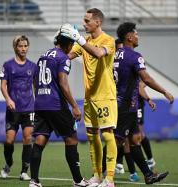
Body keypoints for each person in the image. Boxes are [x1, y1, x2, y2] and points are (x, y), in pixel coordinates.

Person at [61, 8, 118, 187]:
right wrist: (57, 46)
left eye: (87, 21)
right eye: (84, 21)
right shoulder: (83, 42)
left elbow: (98, 53)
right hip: (89, 97)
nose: (84, 24)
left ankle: (110, 179)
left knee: (108, 135)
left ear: (97, 22)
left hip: (105, 96)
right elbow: (66, 57)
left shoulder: (108, 41)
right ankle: (97, 176)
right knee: (93, 136)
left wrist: (79, 39)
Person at [113, 21, 174, 184]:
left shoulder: (115, 55)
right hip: (125, 105)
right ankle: (100, 175)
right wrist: (164, 91)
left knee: (134, 141)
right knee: (117, 141)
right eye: (136, 33)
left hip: (125, 104)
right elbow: (146, 78)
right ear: (129, 36)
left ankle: (148, 175)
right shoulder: (134, 56)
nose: (138, 36)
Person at [29, 24, 89, 187]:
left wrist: (40, 96)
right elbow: (63, 83)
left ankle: (34, 181)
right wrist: (75, 106)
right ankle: (78, 180)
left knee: (40, 139)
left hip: (40, 103)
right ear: (68, 43)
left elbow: (35, 80)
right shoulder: (63, 57)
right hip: (55, 104)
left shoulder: (43, 55)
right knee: (71, 139)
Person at [0, 35, 36, 180]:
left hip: (29, 108)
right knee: (9, 140)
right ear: (15, 47)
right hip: (13, 109)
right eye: (20, 46)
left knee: (28, 138)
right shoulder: (8, 65)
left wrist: (39, 102)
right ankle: (8, 164)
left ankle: (24, 171)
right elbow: (3, 86)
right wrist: (8, 99)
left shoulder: (33, 66)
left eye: (26, 46)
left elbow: (35, 86)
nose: (23, 48)